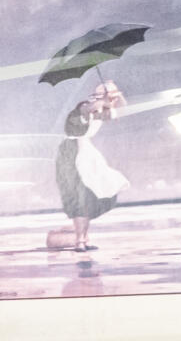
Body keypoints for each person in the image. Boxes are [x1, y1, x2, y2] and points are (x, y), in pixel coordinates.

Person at [47, 81, 130, 251]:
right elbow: (90, 107)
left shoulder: (101, 111)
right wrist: (106, 99)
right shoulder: (85, 106)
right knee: (79, 199)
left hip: (86, 153)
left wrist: (118, 96)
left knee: (91, 197)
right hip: (71, 153)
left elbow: (122, 110)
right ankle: (79, 241)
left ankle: (84, 238)